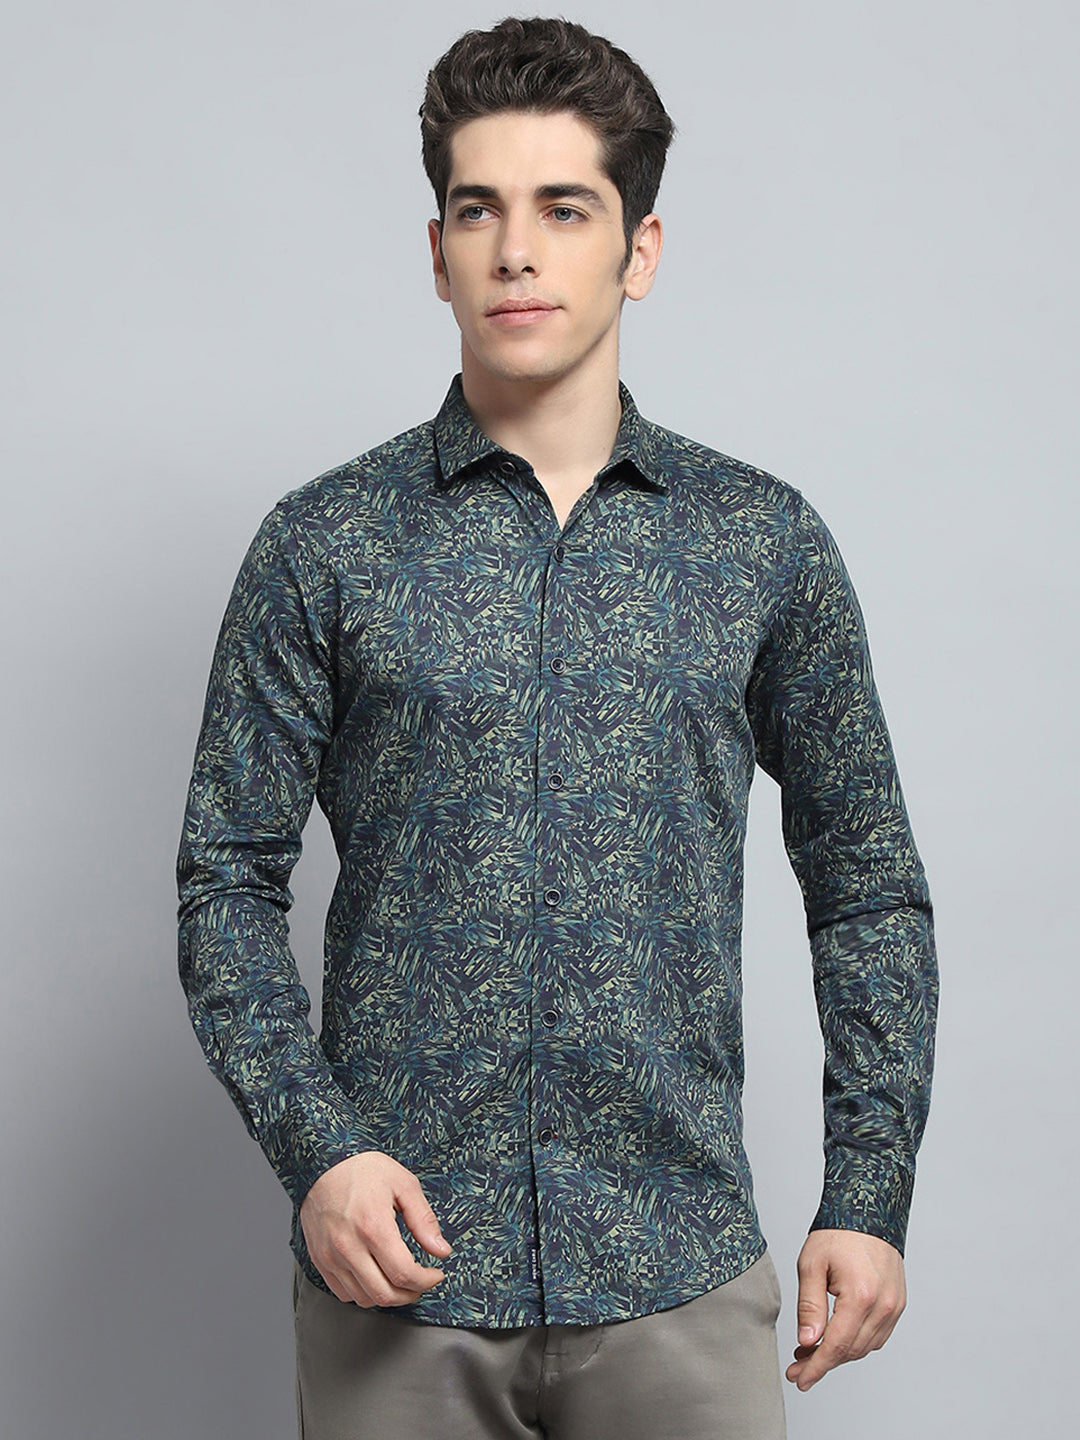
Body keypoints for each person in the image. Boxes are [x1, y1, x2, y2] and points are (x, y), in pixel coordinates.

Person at [176, 16, 938, 1440]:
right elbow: (225, 881)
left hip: (678, 1272)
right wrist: (319, 1152)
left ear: (640, 250)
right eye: (480, 211)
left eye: (564, 210)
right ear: (438, 251)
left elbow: (868, 884)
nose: (516, 251)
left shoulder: (762, 543)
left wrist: (869, 1193)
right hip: (400, 1278)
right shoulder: (322, 546)